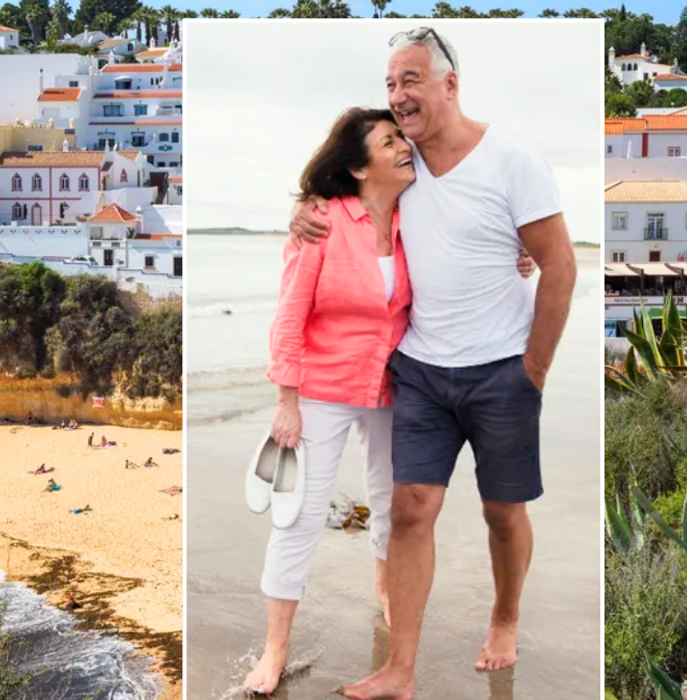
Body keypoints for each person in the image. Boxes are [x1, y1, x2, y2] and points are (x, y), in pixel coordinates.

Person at [282, 29, 574, 700]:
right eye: (389, 84)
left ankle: (504, 618)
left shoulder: (512, 159)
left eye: (410, 80)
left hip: (503, 369)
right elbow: (342, 190)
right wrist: (303, 210)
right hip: (417, 368)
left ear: (449, 84)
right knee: (411, 509)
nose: (397, 96)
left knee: (502, 512)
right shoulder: (400, 162)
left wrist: (534, 369)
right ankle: (400, 669)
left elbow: (558, 265)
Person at [244, 106, 415, 696]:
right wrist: (286, 400)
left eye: (402, 137)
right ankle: (274, 651)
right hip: (322, 389)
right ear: (361, 168)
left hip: (393, 387)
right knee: (300, 518)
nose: (403, 148)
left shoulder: (417, 219)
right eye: (389, 141)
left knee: (393, 508)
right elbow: (290, 315)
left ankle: (387, 592)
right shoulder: (321, 223)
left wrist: (517, 257)